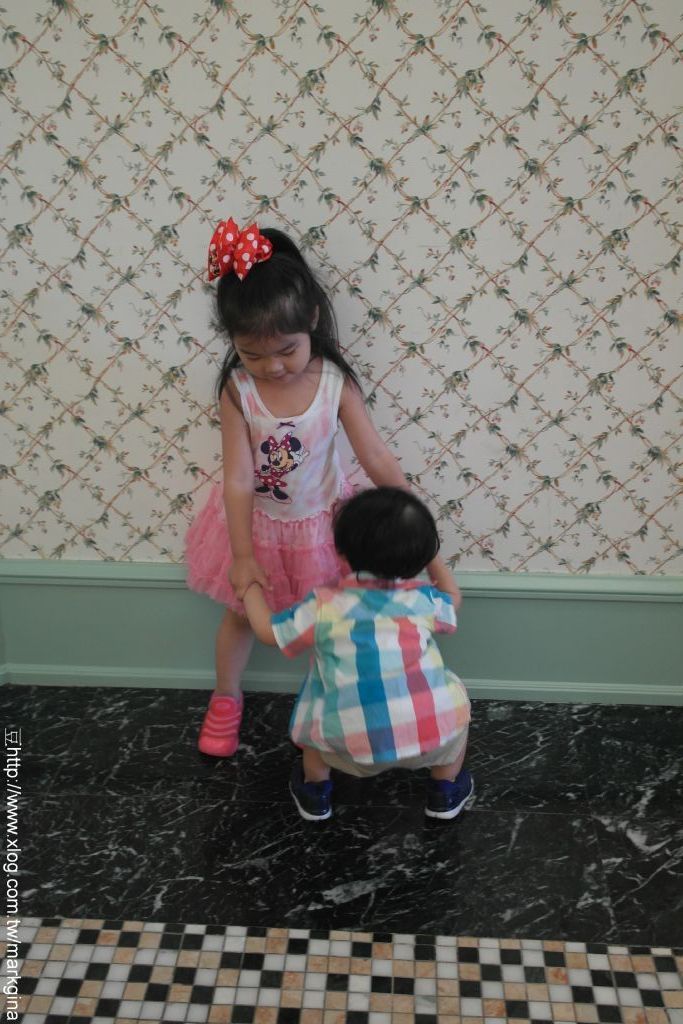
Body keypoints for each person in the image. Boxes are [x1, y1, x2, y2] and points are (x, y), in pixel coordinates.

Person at [186, 217, 461, 758]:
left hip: (324, 527)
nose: (272, 367)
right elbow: (237, 477)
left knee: (333, 617)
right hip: (257, 526)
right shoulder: (238, 391)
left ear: (312, 318)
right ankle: (226, 697)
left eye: (286, 350)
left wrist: (416, 518)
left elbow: (374, 455)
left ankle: (332, 703)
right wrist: (242, 555)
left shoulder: (334, 382)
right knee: (240, 615)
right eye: (253, 354)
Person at [240, 487, 473, 822]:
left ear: (341, 554)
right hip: (430, 740)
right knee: (456, 709)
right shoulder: (424, 600)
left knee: (315, 733)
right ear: (421, 557)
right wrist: (432, 558)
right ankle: (445, 790)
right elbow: (453, 596)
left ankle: (315, 793)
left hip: (346, 749)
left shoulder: (324, 605)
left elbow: (267, 633)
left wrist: (249, 587)